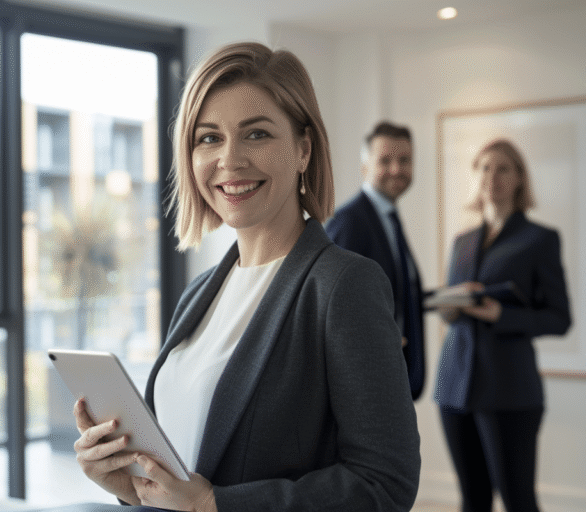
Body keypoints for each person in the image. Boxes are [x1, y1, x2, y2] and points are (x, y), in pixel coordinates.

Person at [72, 42, 420, 512]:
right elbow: (185, 468)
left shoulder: (343, 285)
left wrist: (215, 505)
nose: (229, 160)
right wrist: (131, 487)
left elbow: (384, 486)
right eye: (209, 138)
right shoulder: (198, 295)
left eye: (256, 134)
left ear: (303, 149)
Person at [432, 139, 571, 512]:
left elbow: (560, 318)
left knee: (518, 500)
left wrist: (501, 315)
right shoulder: (462, 242)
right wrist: (449, 306)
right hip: (454, 386)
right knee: (472, 500)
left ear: (519, 179)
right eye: (485, 168)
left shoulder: (539, 239)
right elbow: (450, 313)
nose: (492, 177)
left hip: (509, 390)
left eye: (503, 168)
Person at [325, 122, 425, 400]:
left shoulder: (390, 220)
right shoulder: (350, 222)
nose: (396, 169)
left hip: (392, 376)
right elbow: (335, 306)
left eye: (404, 160)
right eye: (385, 160)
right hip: (363, 382)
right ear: (364, 166)